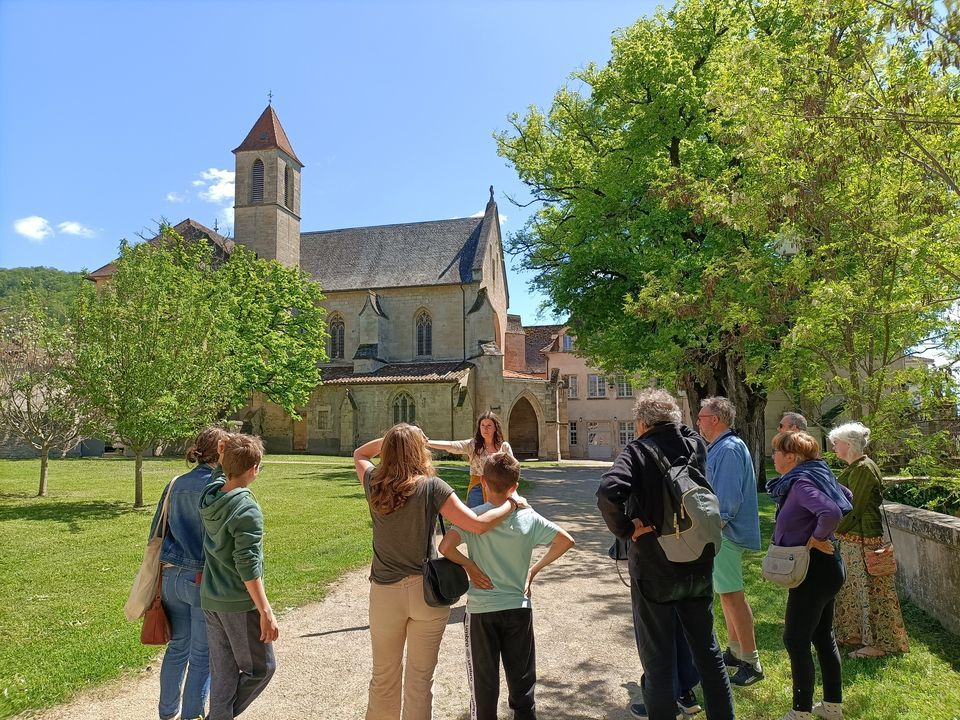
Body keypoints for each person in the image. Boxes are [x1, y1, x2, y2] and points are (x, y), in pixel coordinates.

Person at [354, 423, 523, 720]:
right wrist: (510, 504)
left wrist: (397, 437)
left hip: (384, 593)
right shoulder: (432, 487)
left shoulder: (373, 481)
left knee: (383, 677)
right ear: (419, 450)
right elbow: (476, 524)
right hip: (426, 593)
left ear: (389, 450)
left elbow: (360, 453)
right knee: (420, 682)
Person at [598, 389, 734, 720]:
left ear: (642, 422)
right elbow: (685, 431)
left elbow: (607, 493)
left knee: (658, 660)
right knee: (708, 650)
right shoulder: (695, 444)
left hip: (655, 565)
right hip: (698, 558)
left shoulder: (637, 450)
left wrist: (627, 530)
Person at [438, 452, 574, 719]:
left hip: (481, 610)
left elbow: (445, 547)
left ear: (484, 484)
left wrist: (470, 566)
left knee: (484, 690)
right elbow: (565, 540)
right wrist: (533, 571)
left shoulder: (473, 516)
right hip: (518, 608)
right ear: (515, 487)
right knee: (523, 690)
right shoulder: (529, 516)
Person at [768, 431, 853, 720]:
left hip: (814, 569)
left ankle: (800, 712)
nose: (773, 457)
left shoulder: (802, 482)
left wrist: (817, 536)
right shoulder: (816, 474)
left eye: (776, 452)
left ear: (791, 457)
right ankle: (831, 708)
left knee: (795, 639)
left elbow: (830, 512)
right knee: (822, 636)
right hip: (826, 569)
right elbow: (846, 495)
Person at [149, 427, 228, 720]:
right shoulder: (220, 486)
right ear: (220, 450)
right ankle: (192, 716)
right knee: (201, 655)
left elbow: (157, 529)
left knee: (177, 649)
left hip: (171, 576)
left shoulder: (176, 483)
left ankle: (167, 712)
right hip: (201, 577)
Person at [199, 433, 278, 720]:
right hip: (237, 603)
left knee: (224, 674)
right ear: (254, 468)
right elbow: (248, 564)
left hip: (211, 598)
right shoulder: (246, 509)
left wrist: (222, 457)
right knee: (262, 668)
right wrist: (265, 610)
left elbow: (219, 477)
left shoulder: (211, 496)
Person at [697, 397, 763, 686]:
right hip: (722, 533)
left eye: (701, 416)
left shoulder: (729, 448)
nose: (698, 421)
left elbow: (727, 501)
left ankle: (752, 661)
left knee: (732, 595)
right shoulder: (722, 447)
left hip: (725, 533)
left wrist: (713, 528)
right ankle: (736, 651)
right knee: (726, 594)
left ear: (716, 419)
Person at [829, 422, 909, 659]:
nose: (834, 447)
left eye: (837, 443)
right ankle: (854, 636)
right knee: (854, 589)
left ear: (849, 445)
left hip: (863, 538)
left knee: (869, 591)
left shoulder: (864, 469)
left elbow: (855, 509)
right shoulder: (856, 467)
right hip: (853, 538)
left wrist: (830, 531)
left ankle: (876, 644)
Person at [425, 411, 514, 507]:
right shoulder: (473, 445)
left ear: (495, 428)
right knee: (474, 517)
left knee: (498, 519)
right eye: (482, 425)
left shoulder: (504, 446)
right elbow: (451, 445)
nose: (485, 428)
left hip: (499, 488)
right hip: (477, 488)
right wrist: (427, 442)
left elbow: (512, 470)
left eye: (489, 425)